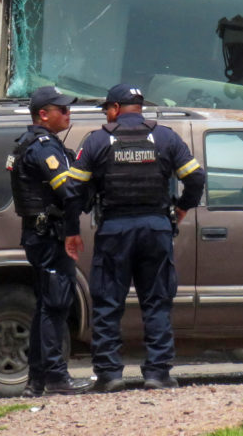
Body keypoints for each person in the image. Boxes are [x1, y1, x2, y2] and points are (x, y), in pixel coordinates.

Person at [68, 84, 205, 392]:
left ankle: (109, 375)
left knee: (108, 303)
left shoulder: (97, 140)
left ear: (116, 108)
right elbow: (196, 177)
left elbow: (73, 189)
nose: (106, 114)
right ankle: (157, 373)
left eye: (107, 109)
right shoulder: (167, 137)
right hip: (155, 228)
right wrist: (182, 208)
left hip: (115, 230)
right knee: (157, 302)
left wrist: (72, 229)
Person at [7, 86, 93, 396]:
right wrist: (75, 225)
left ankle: (37, 380)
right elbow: (69, 192)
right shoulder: (44, 147)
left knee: (47, 305)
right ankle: (56, 377)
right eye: (63, 109)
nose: (69, 114)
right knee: (55, 305)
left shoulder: (34, 143)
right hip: (49, 236)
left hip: (42, 235)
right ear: (43, 114)